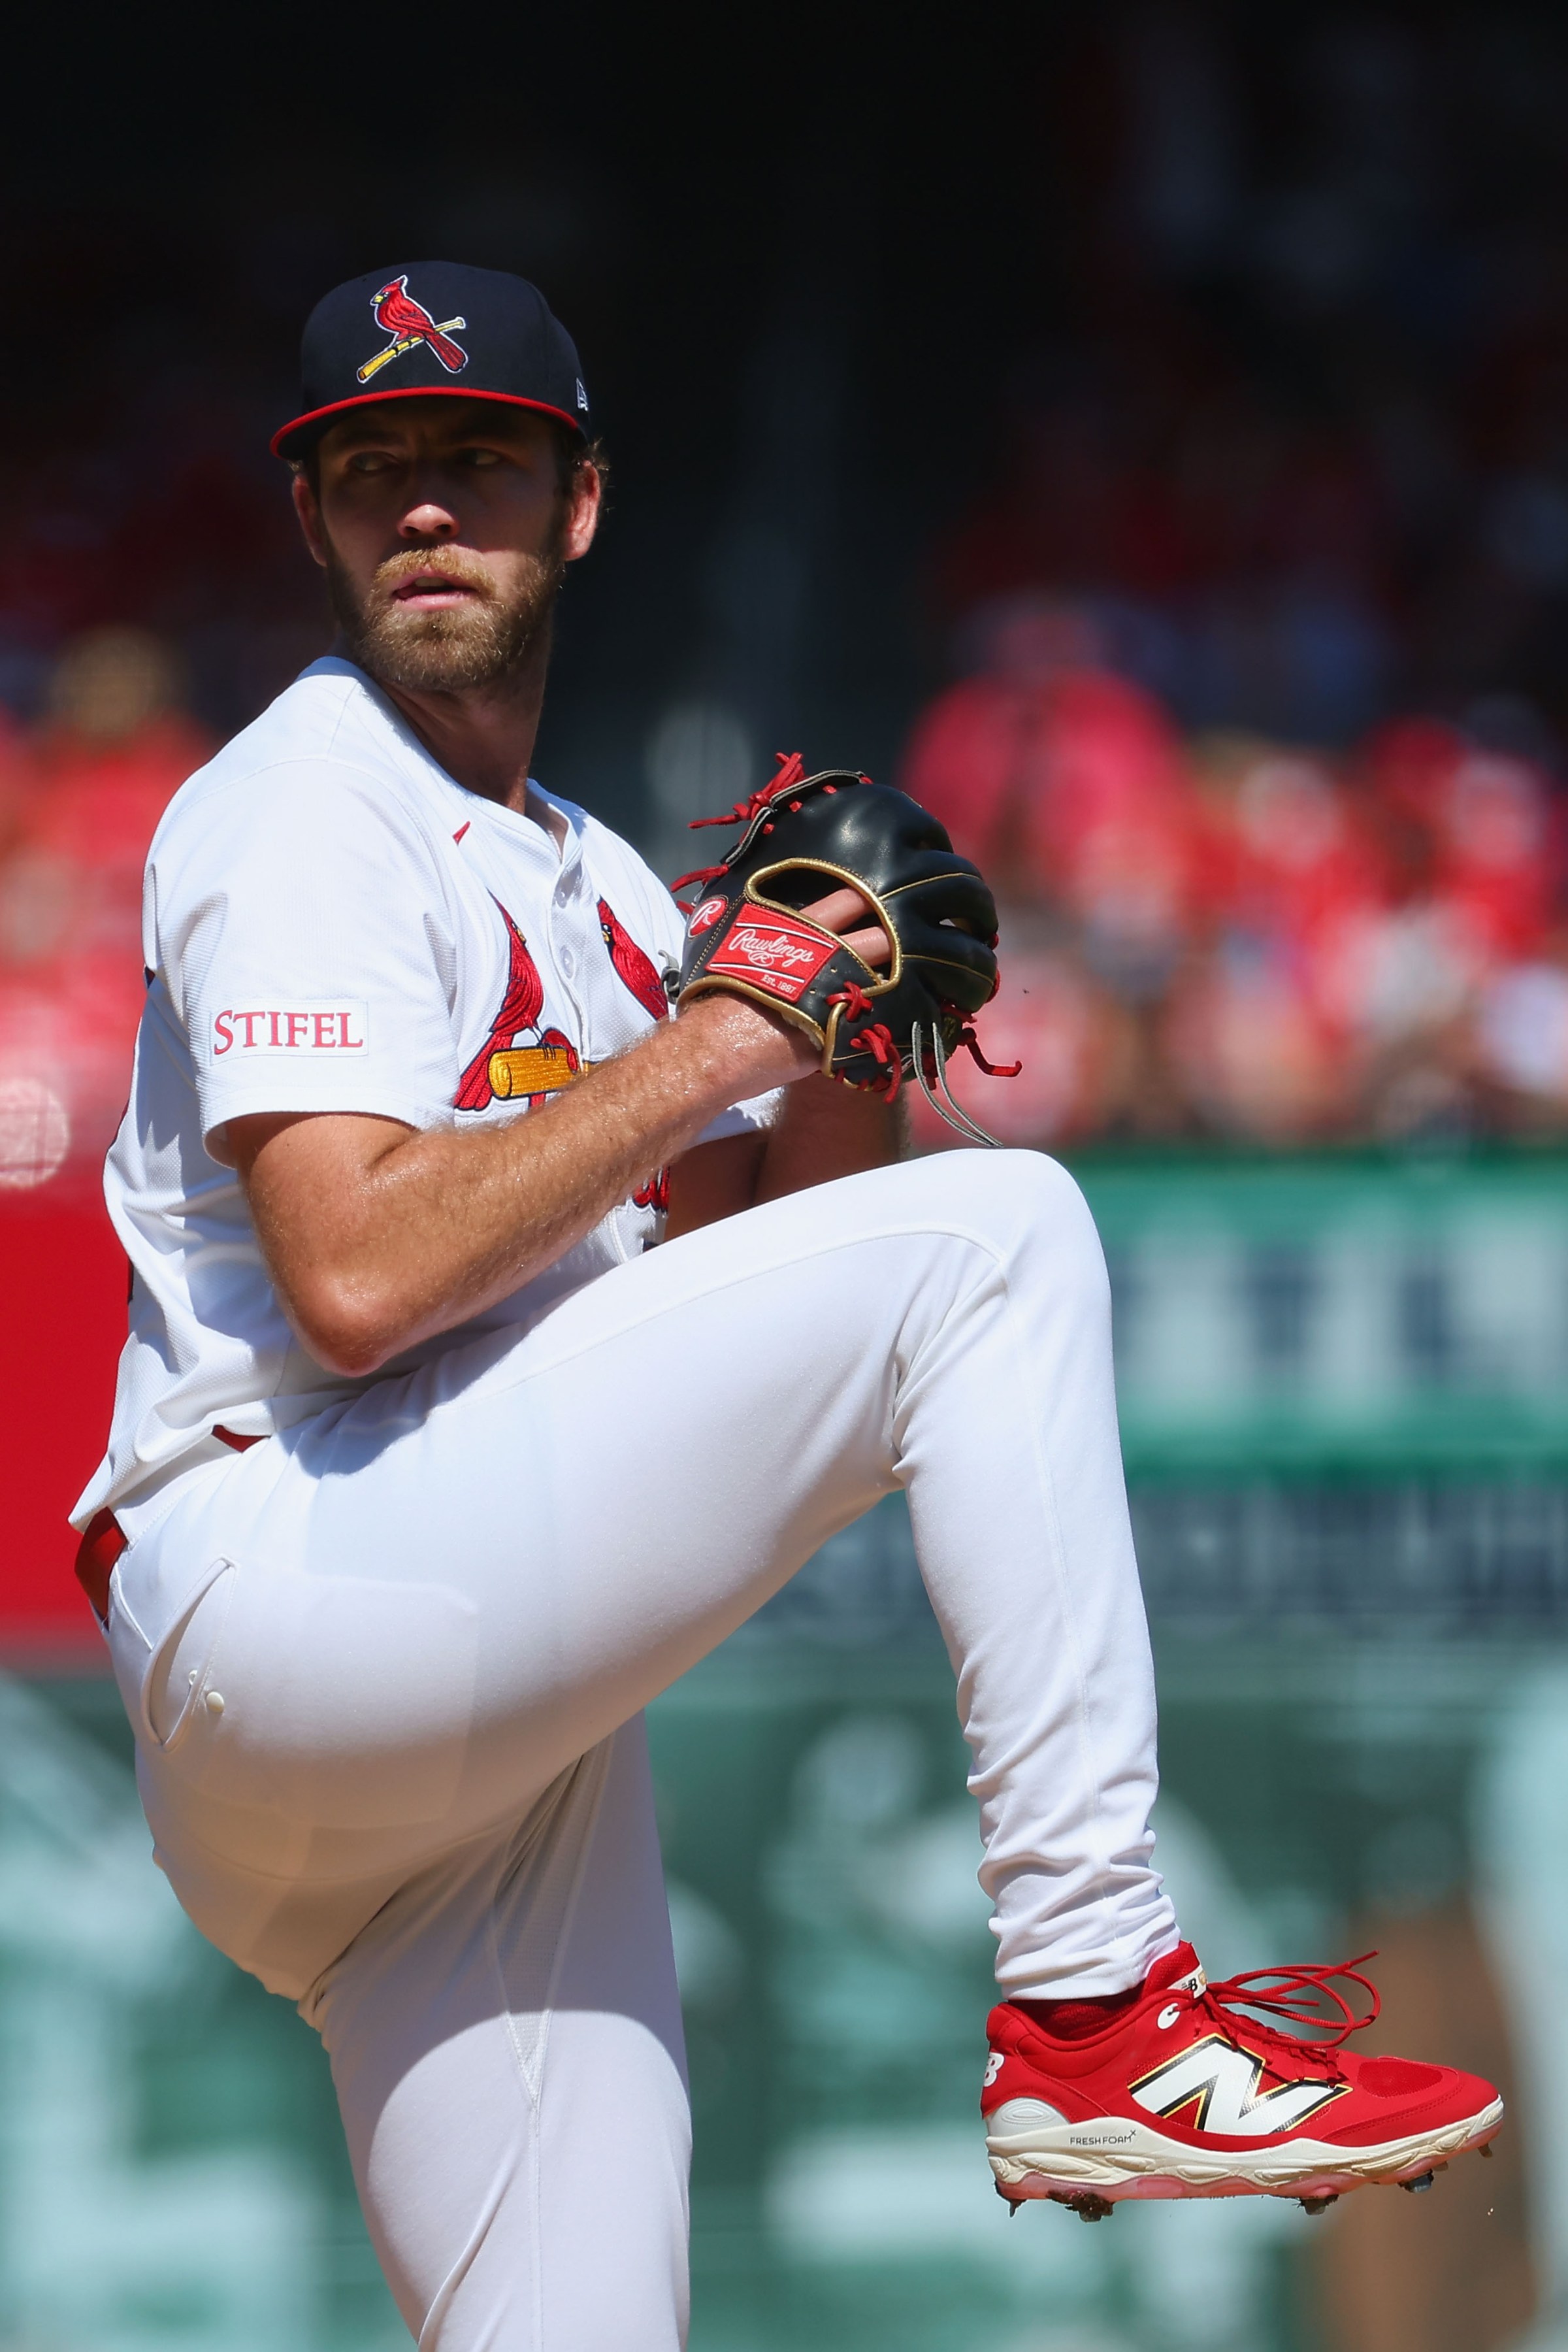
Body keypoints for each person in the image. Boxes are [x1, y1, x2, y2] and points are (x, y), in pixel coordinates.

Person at [72, 263, 1501, 2349]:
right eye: (370, 472)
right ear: (311, 523)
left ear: (579, 506)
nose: (426, 511)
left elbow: (769, 1294)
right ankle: (1104, 2010)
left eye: (477, 458)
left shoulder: (593, 879)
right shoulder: (307, 797)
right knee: (1015, 1241)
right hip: (287, 1569)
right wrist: (727, 1034)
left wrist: (838, 1041)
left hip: (454, 1732)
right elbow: (359, 1273)